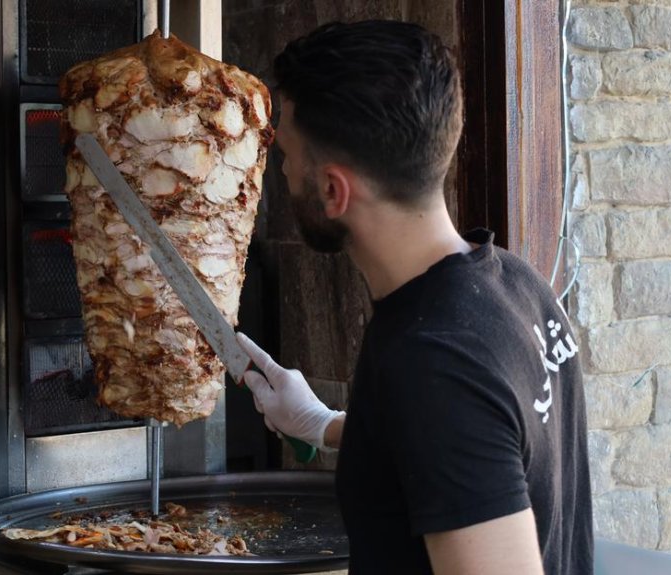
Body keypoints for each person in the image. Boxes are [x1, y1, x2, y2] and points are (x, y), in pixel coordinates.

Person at [235, 20, 593, 575]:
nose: (278, 169)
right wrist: (322, 423)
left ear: (333, 191)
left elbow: (453, 416)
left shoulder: (433, 359)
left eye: (284, 152)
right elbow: (473, 445)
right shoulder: (516, 285)